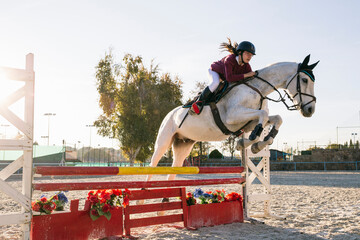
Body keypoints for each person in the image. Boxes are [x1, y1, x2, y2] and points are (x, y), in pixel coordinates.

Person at [191, 39, 257, 115]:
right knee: (215, 83)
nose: (250, 57)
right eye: (247, 53)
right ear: (240, 52)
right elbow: (229, 78)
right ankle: (198, 102)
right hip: (215, 71)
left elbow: (249, 79)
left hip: (225, 77)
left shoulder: (247, 66)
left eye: (251, 55)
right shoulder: (230, 59)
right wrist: (247, 75)